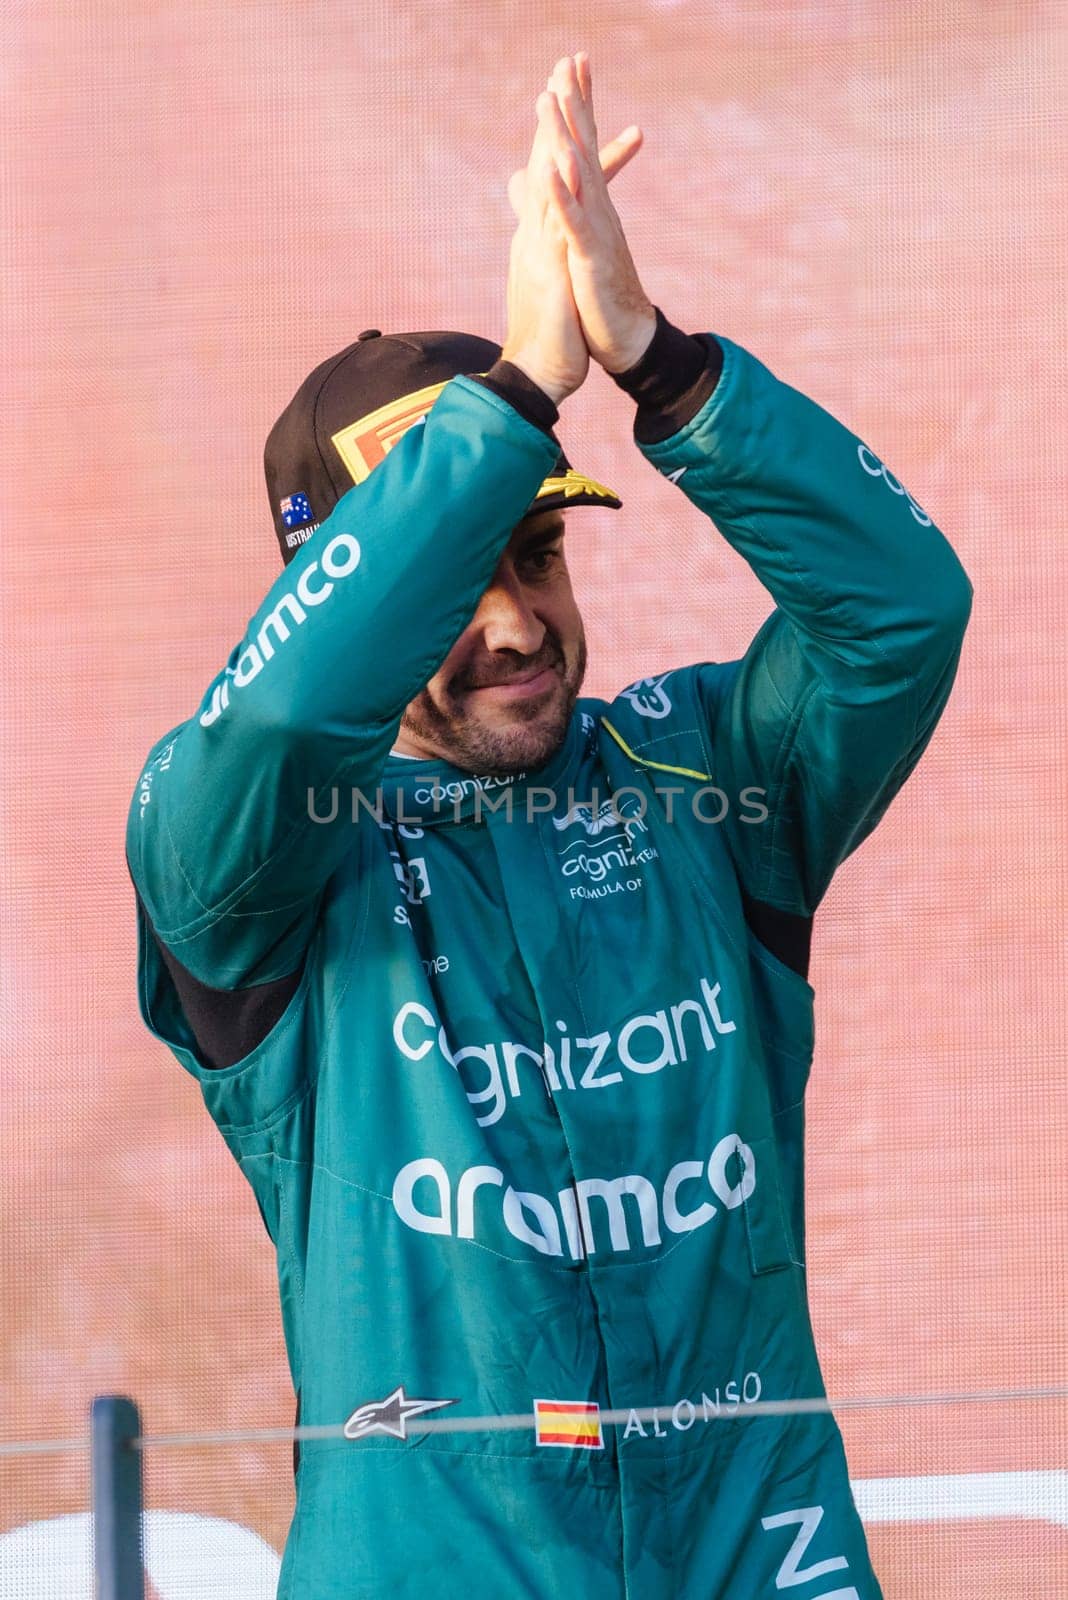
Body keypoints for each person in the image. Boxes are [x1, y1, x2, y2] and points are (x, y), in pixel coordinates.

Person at [127, 51, 971, 1600]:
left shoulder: (708, 771)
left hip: (759, 1541)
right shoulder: (251, 853)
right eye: (457, 584)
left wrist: (660, 363)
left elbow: (903, 611)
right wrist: (516, 393)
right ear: (358, 601)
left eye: (540, 558)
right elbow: (268, 724)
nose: (518, 626)